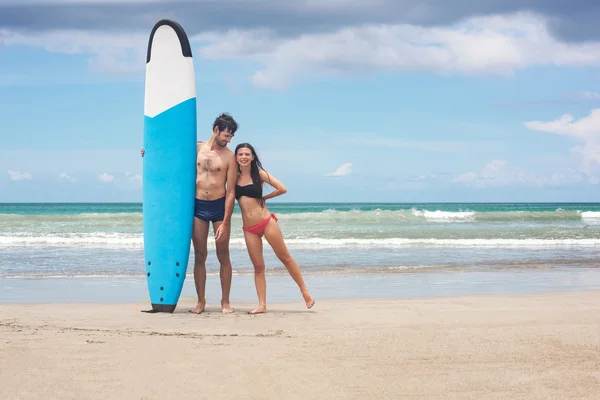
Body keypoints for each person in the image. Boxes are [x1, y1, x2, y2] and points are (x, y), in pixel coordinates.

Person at [141, 113, 239, 314]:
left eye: (231, 137)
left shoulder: (229, 157)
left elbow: (231, 192)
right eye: (226, 135)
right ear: (216, 130)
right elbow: (168, 155)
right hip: (198, 206)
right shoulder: (196, 148)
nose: (228, 140)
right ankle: (201, 302)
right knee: (200, 255)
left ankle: (225, 302)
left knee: (223, 255)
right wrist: (147, 153)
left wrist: (226, 221)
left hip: (219, 207)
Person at [234, 142, 315, 314]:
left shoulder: (259, 174)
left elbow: (282, 188)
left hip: (266, 222)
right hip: (249, 229)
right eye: (240, 154)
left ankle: (305, 291)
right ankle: (262, 305)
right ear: (236, 157)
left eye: (247, 154)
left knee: (285, 257)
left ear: (253, 157)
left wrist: (265, 198)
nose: (244, 157)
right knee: (258, 267)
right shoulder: (233, 176)